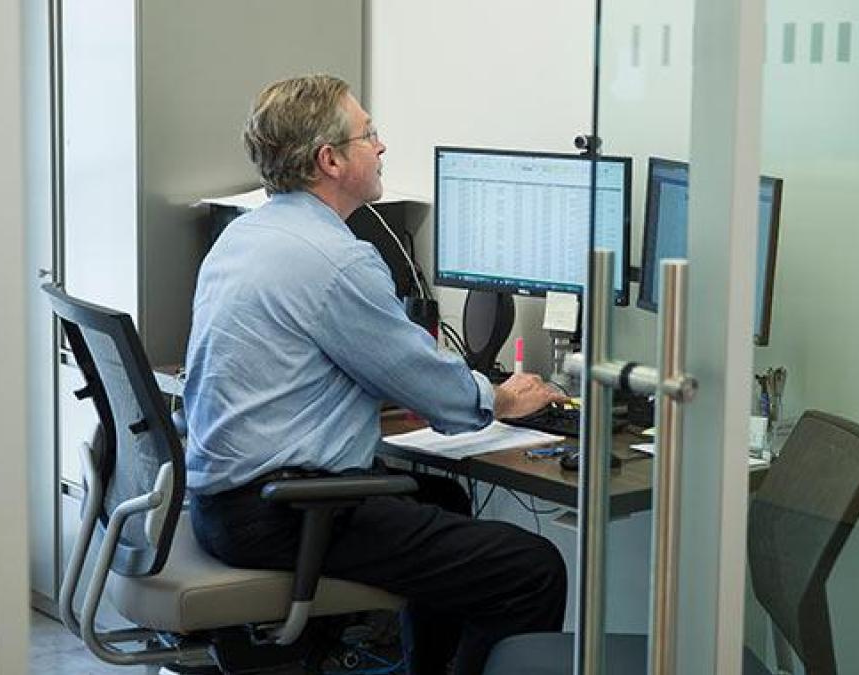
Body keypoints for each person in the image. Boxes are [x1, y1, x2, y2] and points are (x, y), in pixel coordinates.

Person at [182, 74, 569, 675]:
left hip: (223, 504)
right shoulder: (335, 260)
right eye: (371, 135)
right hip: (285, 514)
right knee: (530, 567)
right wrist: (503, 398)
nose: (382, 147)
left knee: (444, 497)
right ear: (329, 159)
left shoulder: (244, 235)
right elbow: (433, 390)